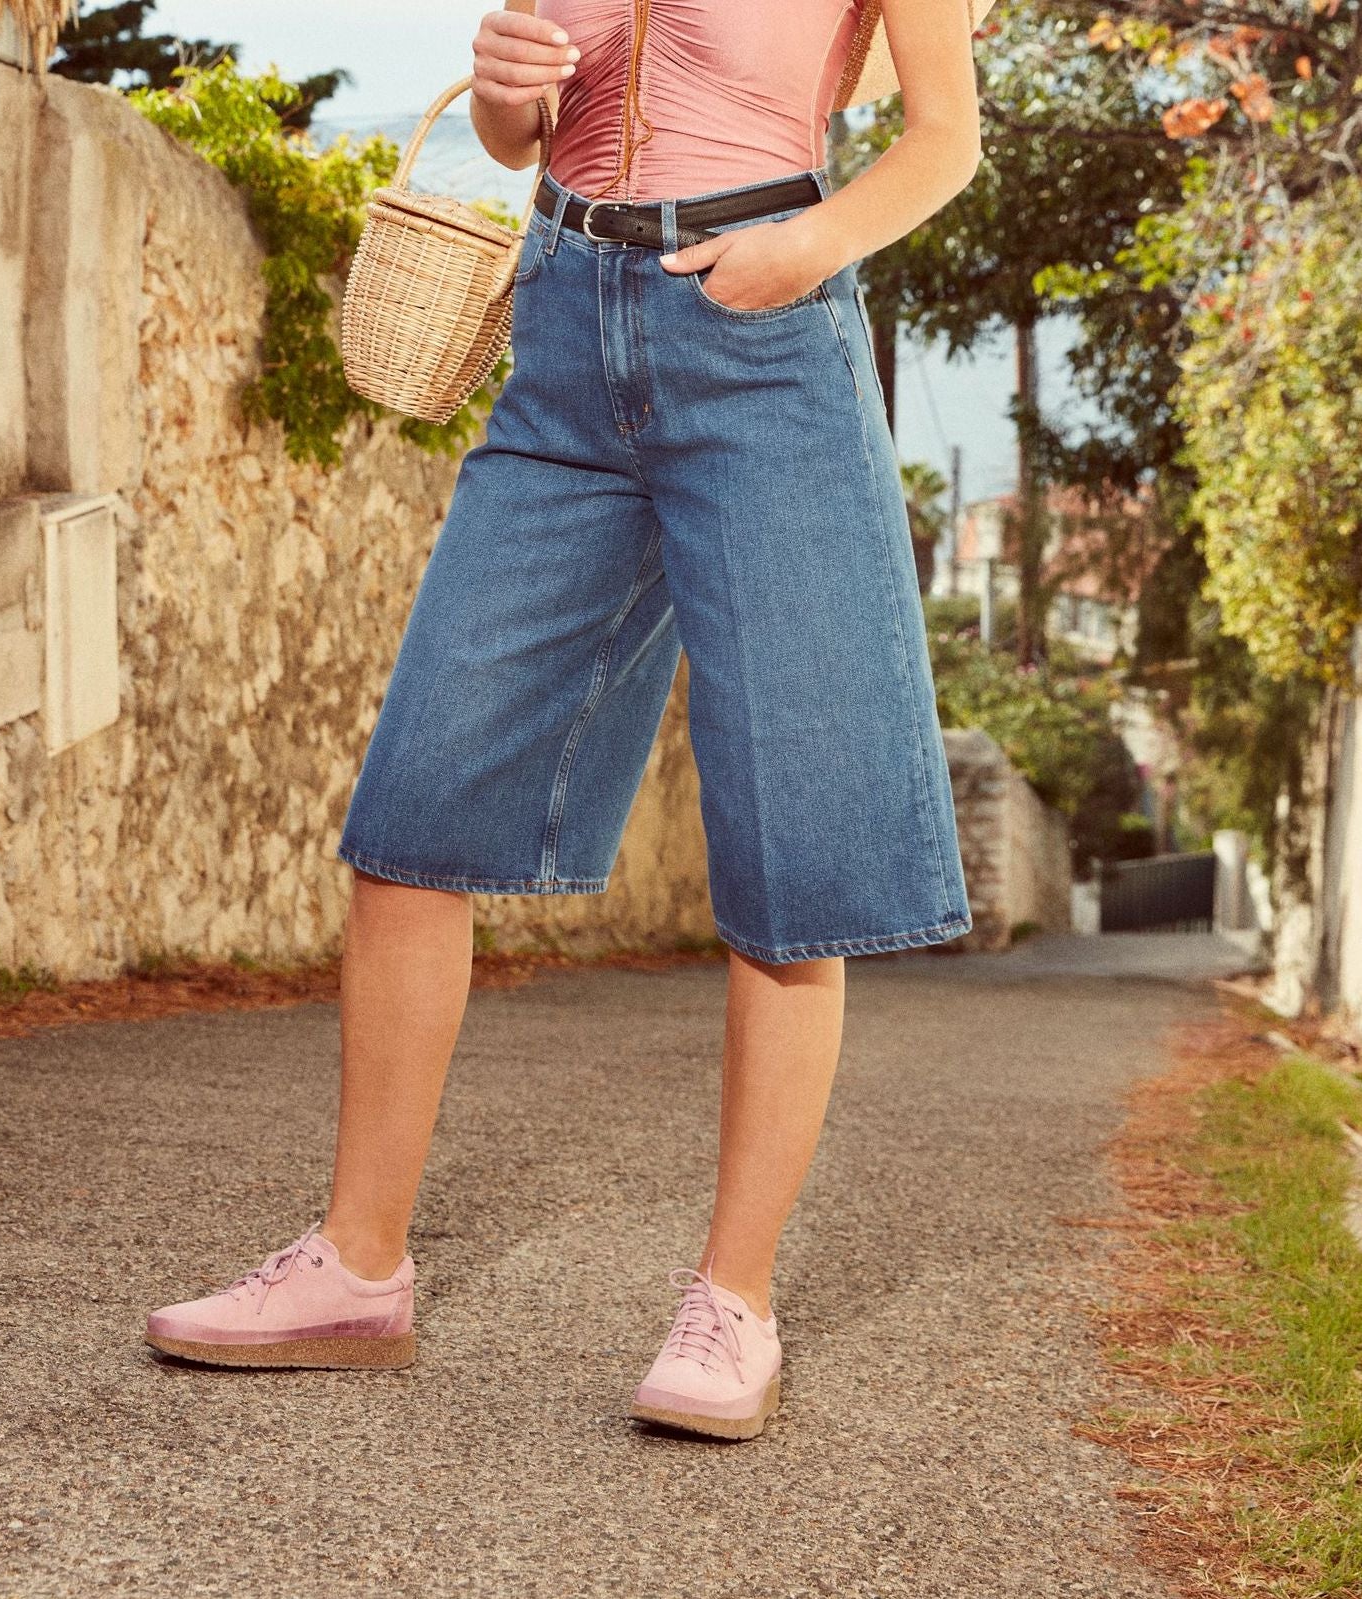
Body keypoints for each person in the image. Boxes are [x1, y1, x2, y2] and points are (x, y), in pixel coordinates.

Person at [146, 0, 984, 1443]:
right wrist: (506, 97)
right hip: (564, 327)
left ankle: (735, 1302)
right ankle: (356, 1268)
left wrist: (810, 247)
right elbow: (521, 128)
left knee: (797, 849)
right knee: (418, 805)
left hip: (763, 334)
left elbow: (945, 143)